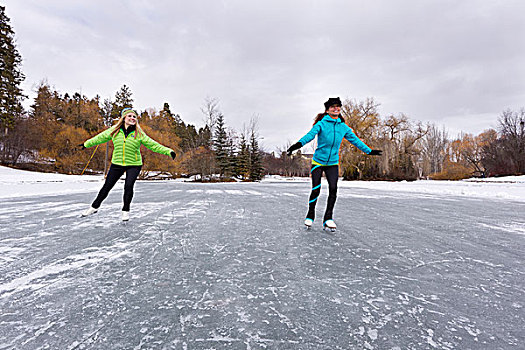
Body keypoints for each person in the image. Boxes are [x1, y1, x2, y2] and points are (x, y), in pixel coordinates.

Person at [287, 97, 382, 231]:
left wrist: (369, 151)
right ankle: (310, 215)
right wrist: (297, 145)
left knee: (333, 189)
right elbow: (309, 136)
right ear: (327, 109)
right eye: (333, 106)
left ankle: (328, 218)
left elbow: (356, 141)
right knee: (316, 189)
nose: (336, 109)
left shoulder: (343, 127)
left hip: (332, 163)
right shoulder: (321, 124)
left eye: (338, 106)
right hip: (318, 162)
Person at [80, 108, 176, 221]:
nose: (132, 118)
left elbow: (153, 145)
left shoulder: (139, 134)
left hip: (134, 164)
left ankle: (125, 211)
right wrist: (86, 144)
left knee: (128, 186)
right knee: (107, 186)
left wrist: (168, 151)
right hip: (117, 164)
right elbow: (100, 137)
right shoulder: (114, 131)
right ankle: (94, 207)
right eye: (130, 116)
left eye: (134, 117)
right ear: (124, 118)